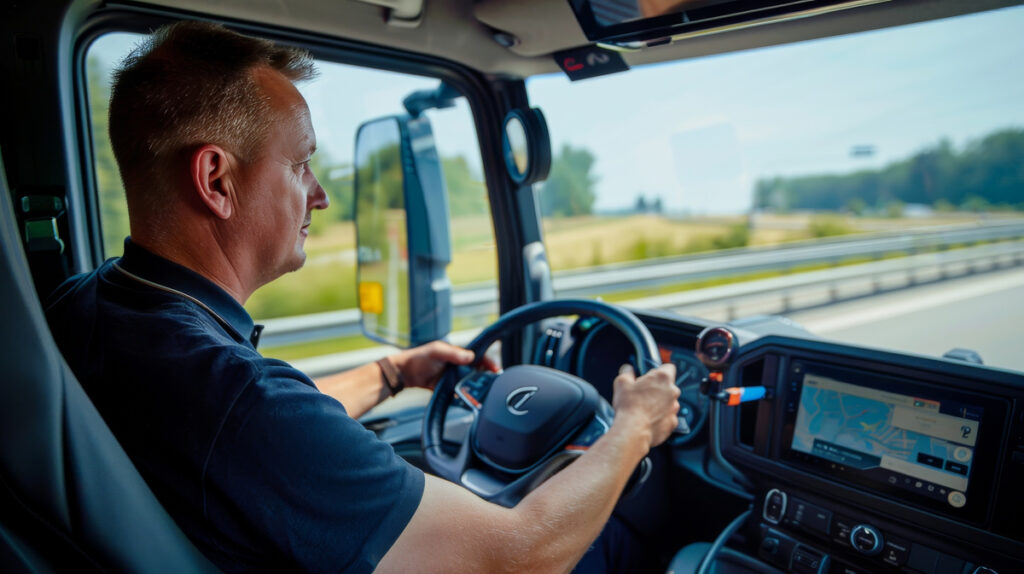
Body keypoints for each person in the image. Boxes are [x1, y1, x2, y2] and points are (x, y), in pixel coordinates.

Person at [45, 21, 680, 574]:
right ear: (216, 180)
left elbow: (256, 433)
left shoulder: (81, 308)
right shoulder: (240, 403)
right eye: (300, 164)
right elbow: (512, 558)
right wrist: (632, 427)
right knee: (620, 548)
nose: (319, 195)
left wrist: (392, 371)